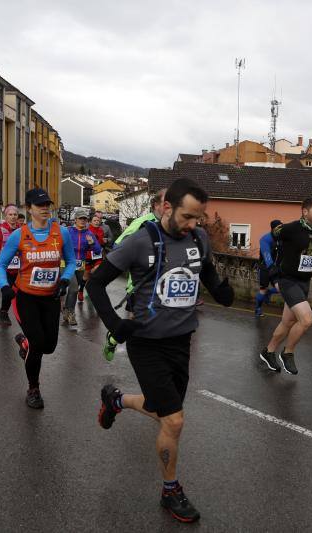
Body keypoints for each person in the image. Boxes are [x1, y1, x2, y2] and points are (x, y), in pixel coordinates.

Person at [86, 178, 233, 523]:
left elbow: (206, 271)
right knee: (175, 420)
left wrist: (221, 291)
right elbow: (95, 282)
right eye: (187, 217)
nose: (193, 225)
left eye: (198, 218)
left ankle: (116, 400)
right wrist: (113, 324)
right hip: (146, 342)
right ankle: (171, 491)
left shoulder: (197, 237)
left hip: (182, 340)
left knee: (160, 409)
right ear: (167, 207)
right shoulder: (141, 241)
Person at [0, 188, 76, 409]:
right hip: (26, 298)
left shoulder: (62, 233)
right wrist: (4, 287)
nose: (45, 208)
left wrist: (65, 280)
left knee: (49, 346)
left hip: (50, 298)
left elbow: (71, 262)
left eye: (47, 204)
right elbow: (0, 265)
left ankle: (24, 341)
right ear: (29, 209)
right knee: (38, 347)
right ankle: (33, 388)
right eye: (40, 205)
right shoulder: (18, 235)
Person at [258, 198, 312, 375]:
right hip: (288, 281)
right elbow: (264, 241)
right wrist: (271, 267)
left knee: (287, 322)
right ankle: (287, 353)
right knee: (306, 319)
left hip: (304, 282)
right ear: (305, 211)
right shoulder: (290, 228)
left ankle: (268, 352)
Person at [100, 188, 167, 360]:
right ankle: (114, 338)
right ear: (155, 206)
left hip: (165, 287)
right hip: (140, 285)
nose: (169, 208)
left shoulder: (175, 225)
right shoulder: (142, 223)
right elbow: (118, 247)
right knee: (136, 323)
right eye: (165, 204)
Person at [63, 208, 101, 329]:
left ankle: (66, 309)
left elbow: (98, 250)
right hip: (67, 264)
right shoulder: (68, 231)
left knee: (75, 288)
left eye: (85, 219)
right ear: (75, 220)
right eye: (81, 218)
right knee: (74, 288)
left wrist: (92, 244)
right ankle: (70, 313)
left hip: (80, 265)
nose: (83, 221)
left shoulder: (89, 234)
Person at [254, 219, 282, 317]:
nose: (280, 230)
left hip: (275, 268)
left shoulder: (281, 239)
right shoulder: (265, 239)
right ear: (273, 229)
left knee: (281, 288)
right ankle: (258, 309)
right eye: (278, 228)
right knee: (263, 290)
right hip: (264, 268)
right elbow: (266, 255)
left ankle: (269, 292)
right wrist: (271, 266)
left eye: (281, 227)